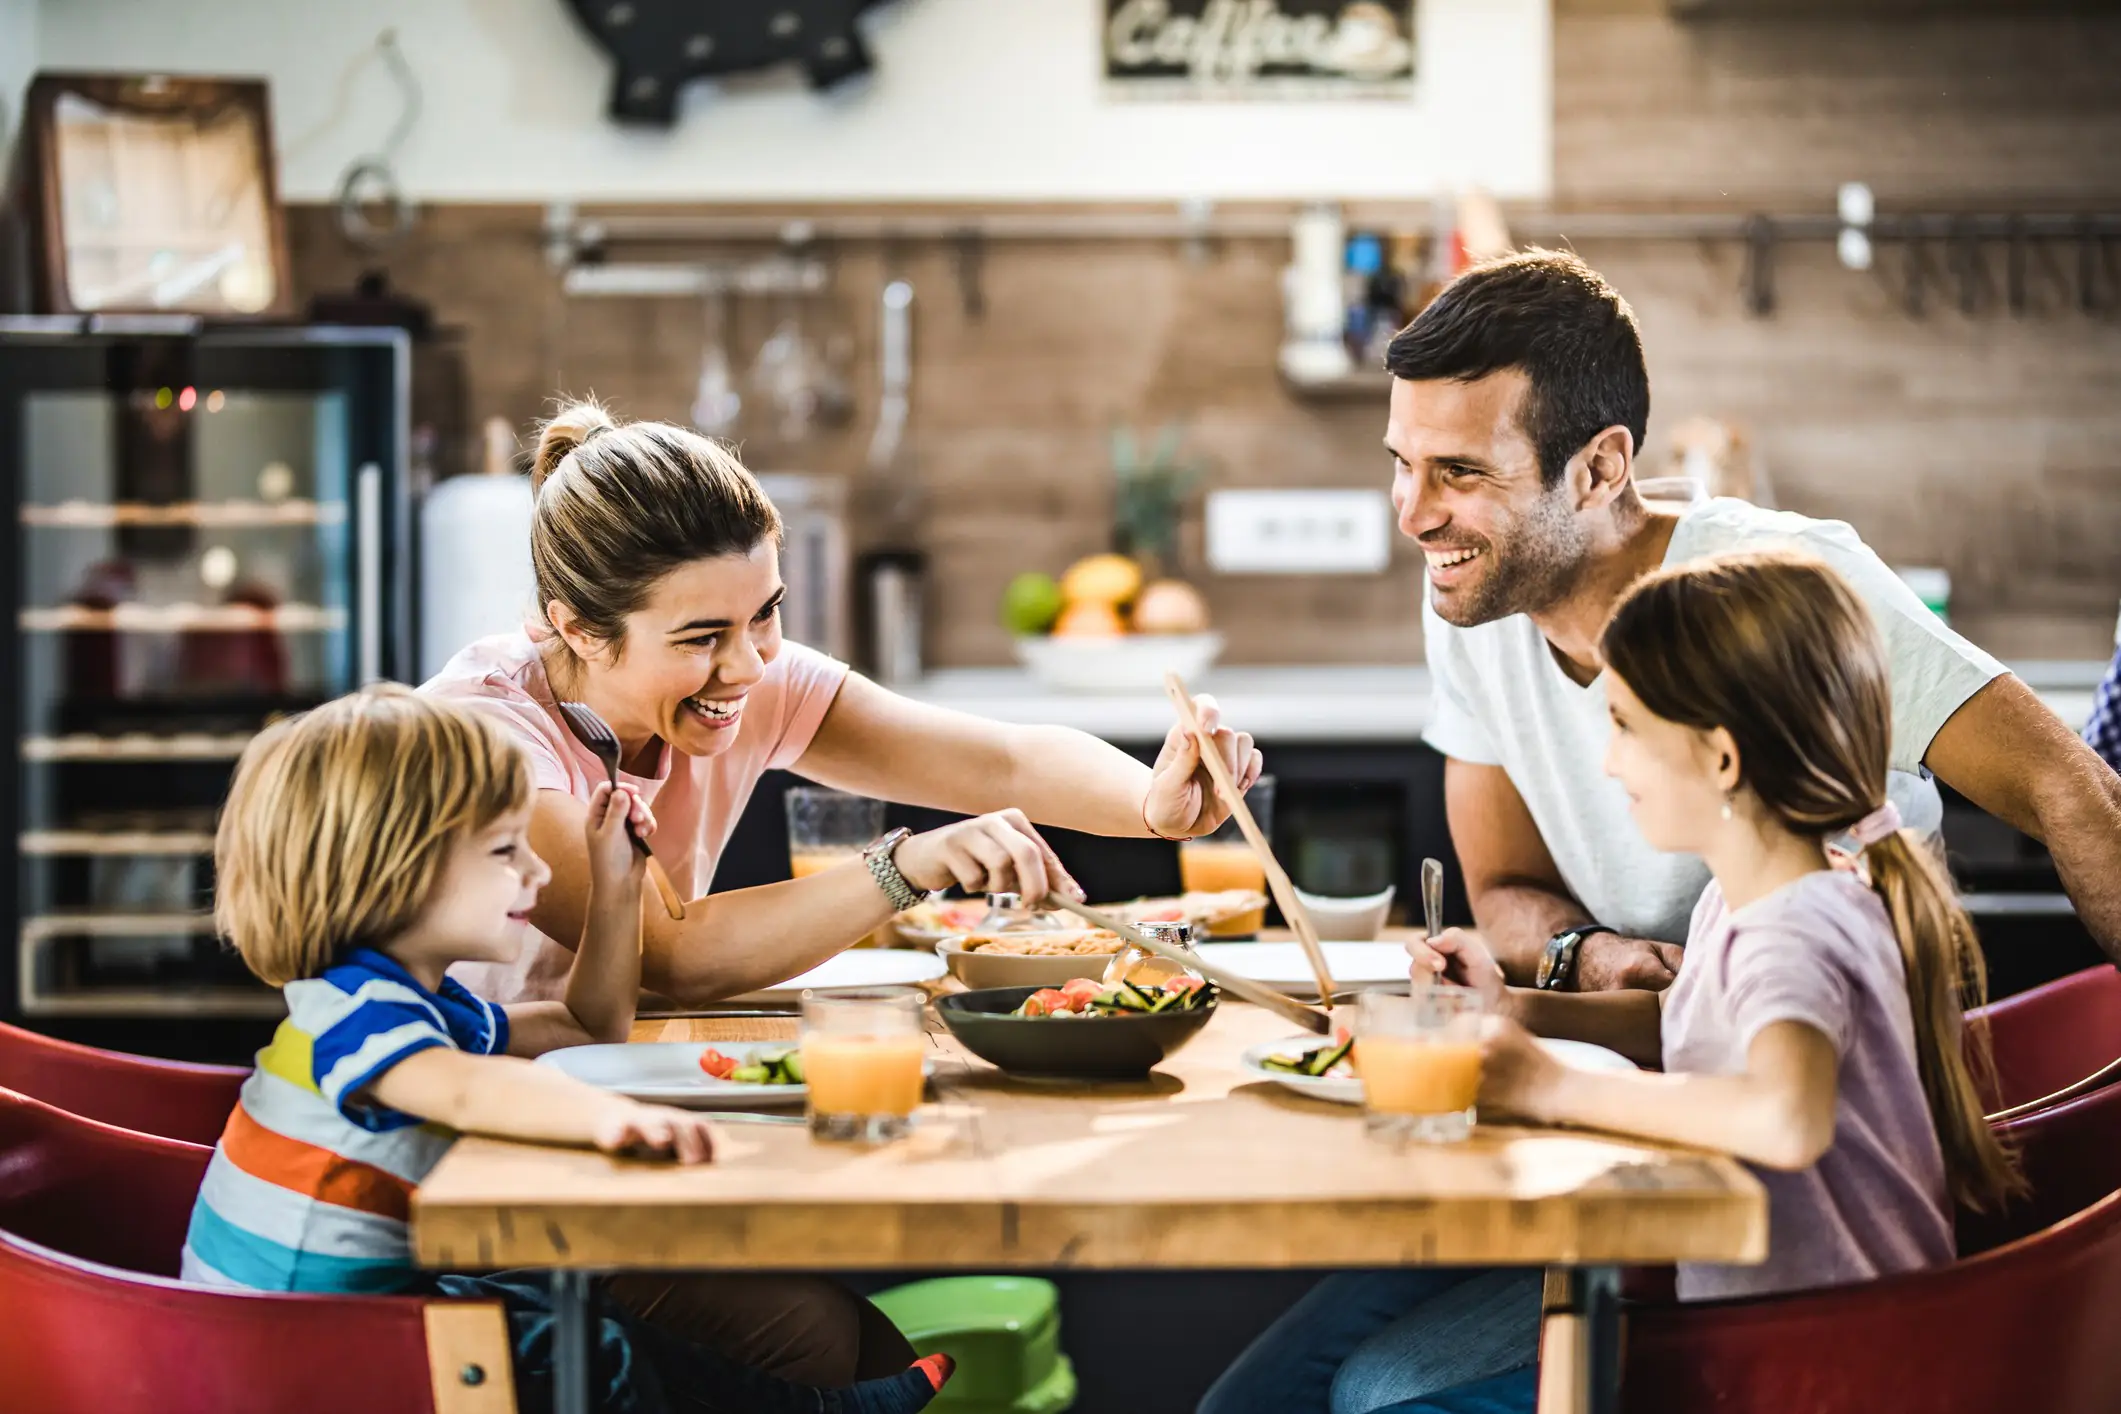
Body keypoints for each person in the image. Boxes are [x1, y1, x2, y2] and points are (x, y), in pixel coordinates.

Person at [1211, 552, 2021, 1414]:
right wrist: (1511, 1009)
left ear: (1718, 759)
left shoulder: (1793, 929)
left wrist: (1548, 1086)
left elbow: (1783, 1117)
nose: (1606, 762)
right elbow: (1685, 1023)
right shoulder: (1750, 896)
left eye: (1626, 727)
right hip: (1764, 1330)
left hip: (1807, 1369)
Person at [182, 685, 955, 1414]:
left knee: (583, 1318)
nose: (537, 872)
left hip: (363, 1316)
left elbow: (585, 1028)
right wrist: (603, 1120)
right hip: (303, 1357)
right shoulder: (358, 1011)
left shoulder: (415, 1002)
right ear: (392, 871)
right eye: (502, 852)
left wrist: (618, 889)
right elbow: (457, 1089)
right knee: (597, 1347)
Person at [1387, 251, 2121, 995]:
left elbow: (2066, 789)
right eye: (1401, 464)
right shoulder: (1470, 592)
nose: (1413, 516)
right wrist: (1588, 956)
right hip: (1660, 1067)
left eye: (1459, 471)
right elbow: (1506, 886)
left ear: (1600, 471)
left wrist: (1520, 1021)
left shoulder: (1789, 583)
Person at [424, 401, 1264, 1010]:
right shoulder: (492, 743)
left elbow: (1001, 762)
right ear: (577, 628)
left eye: (766, 613)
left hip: (622, 1080)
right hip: (467, 1139)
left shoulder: (742, 674)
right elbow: (668, 952)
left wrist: (1152, 805)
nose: (747, 665)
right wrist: (909, 865)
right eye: (699, 638)